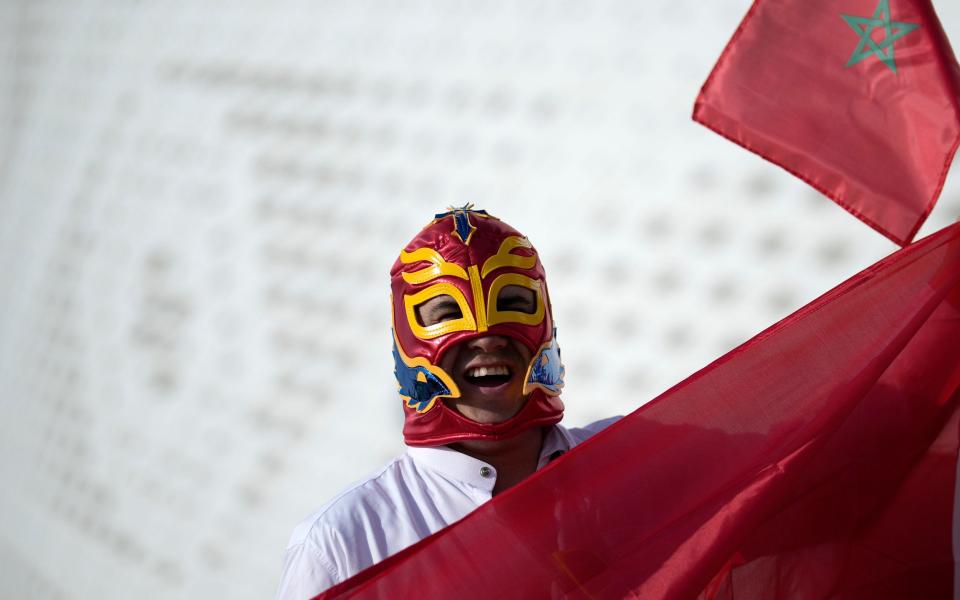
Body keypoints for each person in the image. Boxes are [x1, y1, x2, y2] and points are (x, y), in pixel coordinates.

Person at [275, 206, 617, 599]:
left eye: (513, 304)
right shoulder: (342, 545)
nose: (487, 336)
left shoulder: (641, 455)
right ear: (406, 337)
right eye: (448, 312)